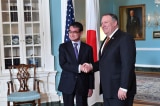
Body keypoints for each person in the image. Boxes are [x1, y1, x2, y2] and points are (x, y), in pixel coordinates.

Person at [82, 13, 136, 106]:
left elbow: (128, 65)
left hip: (119, 90)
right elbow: (105, 61)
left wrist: (124, 87)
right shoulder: (106, 40)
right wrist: (91, 66)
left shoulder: (125, 38)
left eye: (106, 22)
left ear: (115, 23)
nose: (103, 25)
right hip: (108, 89)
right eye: (102, 23)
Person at [58, 22, 94, 106]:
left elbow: (91, 69)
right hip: (67, 83)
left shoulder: (88, 48)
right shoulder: (63, 47)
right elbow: (63, 64)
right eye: (70, 31)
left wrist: (91, 87)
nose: (71, 34)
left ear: (81, 33)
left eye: (74, 32)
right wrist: (79, 68)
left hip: (83, 84)